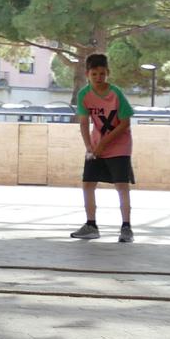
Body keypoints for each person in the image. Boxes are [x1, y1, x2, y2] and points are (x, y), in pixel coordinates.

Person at [71, 52, 135, 243]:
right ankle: (91, 225)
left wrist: (104, 143)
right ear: (87, 74)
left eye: (102, 74)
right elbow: (84, 123)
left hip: (119, 146)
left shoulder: (116, 93)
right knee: (88, 184)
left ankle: (126, 228)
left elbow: (125, 123)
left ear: (107, 73)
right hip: (96, 146)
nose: (98, 78)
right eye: (94, 74)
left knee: (121, 186)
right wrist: (89, 147)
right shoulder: (84, 94)